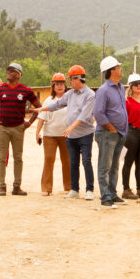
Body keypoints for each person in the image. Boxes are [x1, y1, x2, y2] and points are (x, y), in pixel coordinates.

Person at [33, 64, 96, 200]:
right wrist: (41, 110)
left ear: (79, 79)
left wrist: (70, 128)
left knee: (86, 161)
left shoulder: (90, 95)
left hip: (84, 134)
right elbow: (57, 105)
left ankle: (89, 189)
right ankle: (74, 189)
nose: (69, 83)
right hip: (69, 136)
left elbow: (84, 115)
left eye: (71, 79)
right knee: (73, 162)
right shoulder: (70, 94)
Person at [0, 62, 41, 196]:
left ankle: (16, 186)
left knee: (18, 158)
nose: (9, 72)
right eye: (8, 70)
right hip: (2, 128)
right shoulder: (0, 89)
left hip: (18, 128)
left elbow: (38, 107)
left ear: (19, 75)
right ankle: (2, 186)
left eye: (12, 71)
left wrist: (29, 123)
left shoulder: (25, 90)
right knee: (1, 158)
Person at [94, 56, 128, 209]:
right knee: (105, 166)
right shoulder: (103, 90)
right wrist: (110, 127)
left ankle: (113, 194)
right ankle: (105, 197)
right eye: (118, 67)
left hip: (120, 133)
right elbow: (99, 113)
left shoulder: (121, 88)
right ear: (112, 71)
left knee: (115, 166)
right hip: (107, 134)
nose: (121, 69)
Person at [35, 73, 71, 196]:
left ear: (65, 85)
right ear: (53, 86)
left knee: (67, 160)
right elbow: (41, 118)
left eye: (62, 84)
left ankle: (69, 187)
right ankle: (46, 188)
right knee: (49, 159)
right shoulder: (49, 101)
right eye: (57, 84)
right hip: (50, 135)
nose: (59, 86)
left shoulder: (69, 99)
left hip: (66, 135)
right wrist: (37, 132)